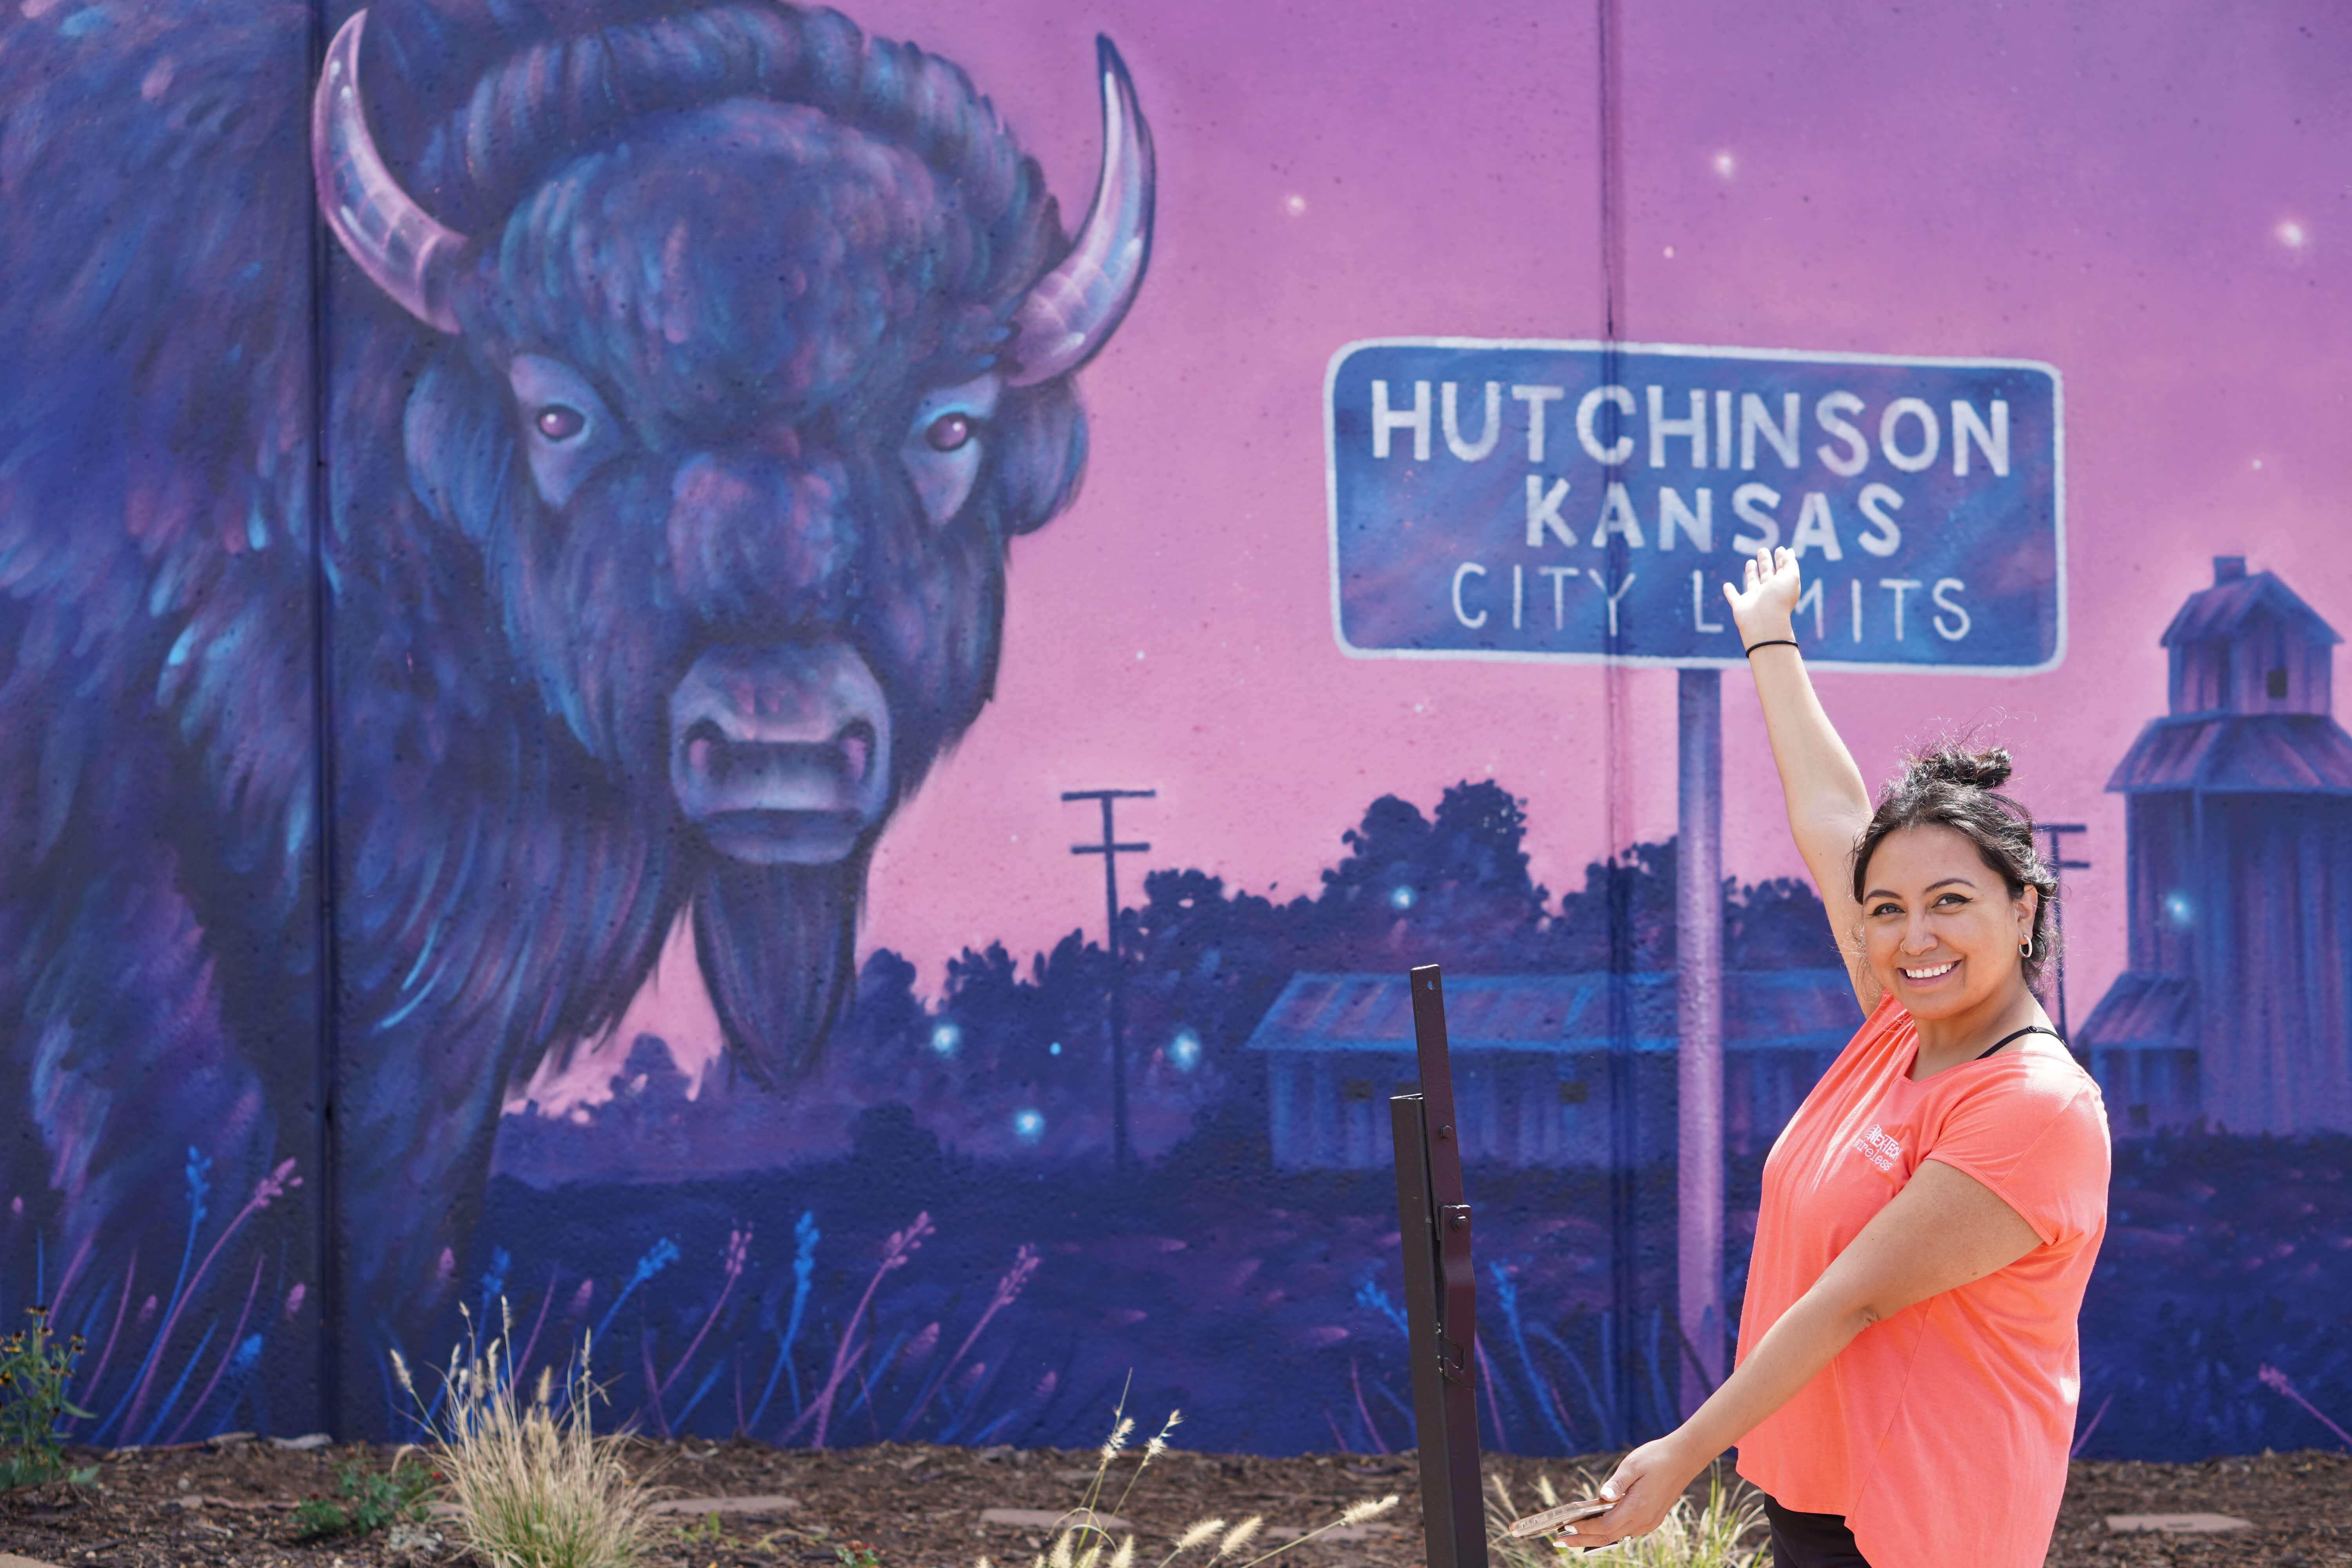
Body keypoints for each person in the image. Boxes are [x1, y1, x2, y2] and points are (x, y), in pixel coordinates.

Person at [1553, 548, 2111, 1568]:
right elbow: (1834, 824)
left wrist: (1681, 1456)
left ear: (2023, 907)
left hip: (1930, 1521)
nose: (1915, 936)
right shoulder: (1900, 1029)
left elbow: (1853, 1297)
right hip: (1826, 1495)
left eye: (1952, 902)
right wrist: (1771, 637)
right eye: (1888, 911)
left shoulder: (2035, 1105)